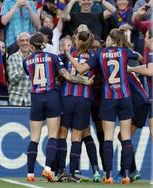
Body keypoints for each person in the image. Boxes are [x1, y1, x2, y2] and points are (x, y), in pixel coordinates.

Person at [66, 28, 143, 184]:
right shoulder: (124, 51)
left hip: (108, 98)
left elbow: (81, 70)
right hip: (124, 97)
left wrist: (68, 55)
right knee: (126, 137)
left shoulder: (99, 54)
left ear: (109, 39)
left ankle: (108, 176)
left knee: (108, 138)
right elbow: (140, 57)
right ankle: (127, 175)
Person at [23, 33, 94, 182]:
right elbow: (68, 77)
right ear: (44, 43)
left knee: (34, 137)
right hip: (52, 97)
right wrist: (85, 82)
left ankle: (30, 174)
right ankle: (48, 169)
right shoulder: (53, 57)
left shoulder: (26, 60)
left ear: (31, 46)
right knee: (53, 135)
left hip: (36, 97)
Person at [56, 29, 100, 182]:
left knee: (62, 134)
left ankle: (61, 171)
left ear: (79, 41)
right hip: (84, 99)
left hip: (67, 97)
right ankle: (73, 172)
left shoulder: (68, 54)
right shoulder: (94, 56)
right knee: (77, 137)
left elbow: (58, 67)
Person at [7, 32, 31, 106]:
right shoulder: (12, 58)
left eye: (27, 40)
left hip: (31, 100)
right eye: (22, 40)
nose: (25, 43)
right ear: (18, 43)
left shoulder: (34, 57)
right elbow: (13, 80)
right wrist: (25, 68)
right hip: (16, 99)